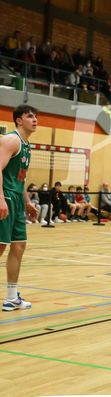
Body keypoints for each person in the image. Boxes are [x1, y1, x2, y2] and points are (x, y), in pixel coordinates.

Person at [0, 105, 39, 311]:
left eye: (35, 116)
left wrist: (28, 202)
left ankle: (11, 297)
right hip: (4, 196)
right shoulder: (11, 140)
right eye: (29, 116)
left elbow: (19, 179)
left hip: (16, 198)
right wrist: (0, 198)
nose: (34, 119)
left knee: (19, 246)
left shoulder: (26, 145)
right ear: (18, 121)